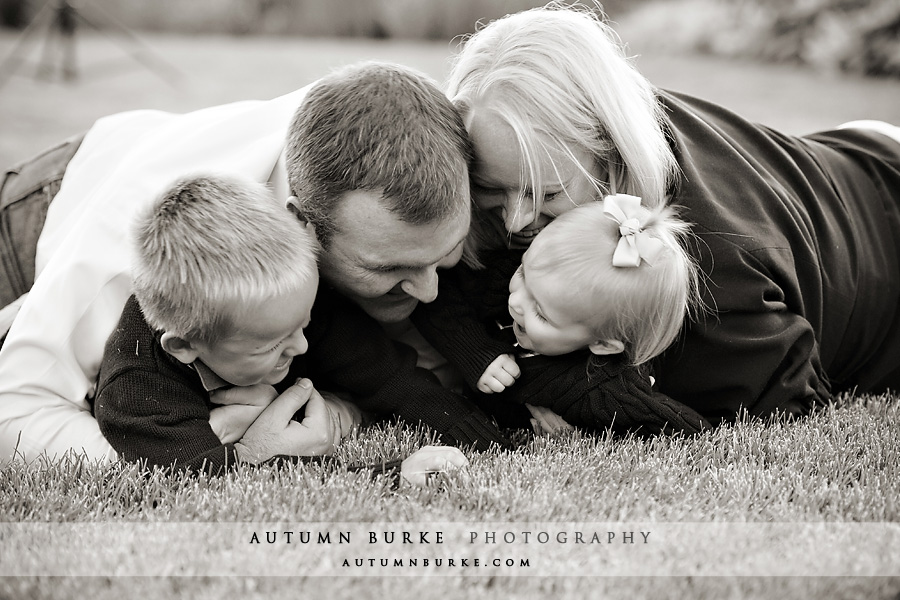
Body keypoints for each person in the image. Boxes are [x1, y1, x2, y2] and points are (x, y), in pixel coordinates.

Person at [0, 61, 511, 463]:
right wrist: (204, 456)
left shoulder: (422, 155)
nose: (429, 293)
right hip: (46, 202)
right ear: (298, 223)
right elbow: (15, 411)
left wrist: (342, 413)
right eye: (387, 270)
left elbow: (409, 375)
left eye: (442, 257)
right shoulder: (145, 246)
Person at [437, 4, 900, 427]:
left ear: (611, 151)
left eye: (547, 191)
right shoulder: (582, 124)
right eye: (490, 187)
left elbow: (792, 397)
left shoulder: (706, 276)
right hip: (840, 152)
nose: (515, 221)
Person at [95, 172, 467, 480]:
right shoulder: (139, 392)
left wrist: (471, 427)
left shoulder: (287, 299)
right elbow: (217, 485)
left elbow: (388, 374)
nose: (302, 346)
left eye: (303, 325)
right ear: (185, 346)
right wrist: (390, 476)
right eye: (272, 344)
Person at [414, 196, 710, 435]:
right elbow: (434, 295)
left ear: (603, 344)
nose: (516, 300)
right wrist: (477, 353)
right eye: (522, 272)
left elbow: (691, 431)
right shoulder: (530, 279)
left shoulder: (602, 390)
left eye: (541, 314)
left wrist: (588, 434)